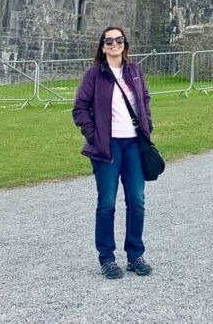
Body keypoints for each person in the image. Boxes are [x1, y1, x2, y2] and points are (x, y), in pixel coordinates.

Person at [72, 26, 154, 279]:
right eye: (109, 41)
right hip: (107, 147)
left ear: (125, 44)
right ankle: (107, 258)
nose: (114, 44)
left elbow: (145, 99)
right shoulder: (94, 75)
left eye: (118, 40)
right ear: (103, 46)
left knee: (137, 201)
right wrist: (93, 135)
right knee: (107, 204)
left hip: (134, 145)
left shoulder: (134, 71)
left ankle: (135, 255)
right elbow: (80, 108)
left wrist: (147, 125)